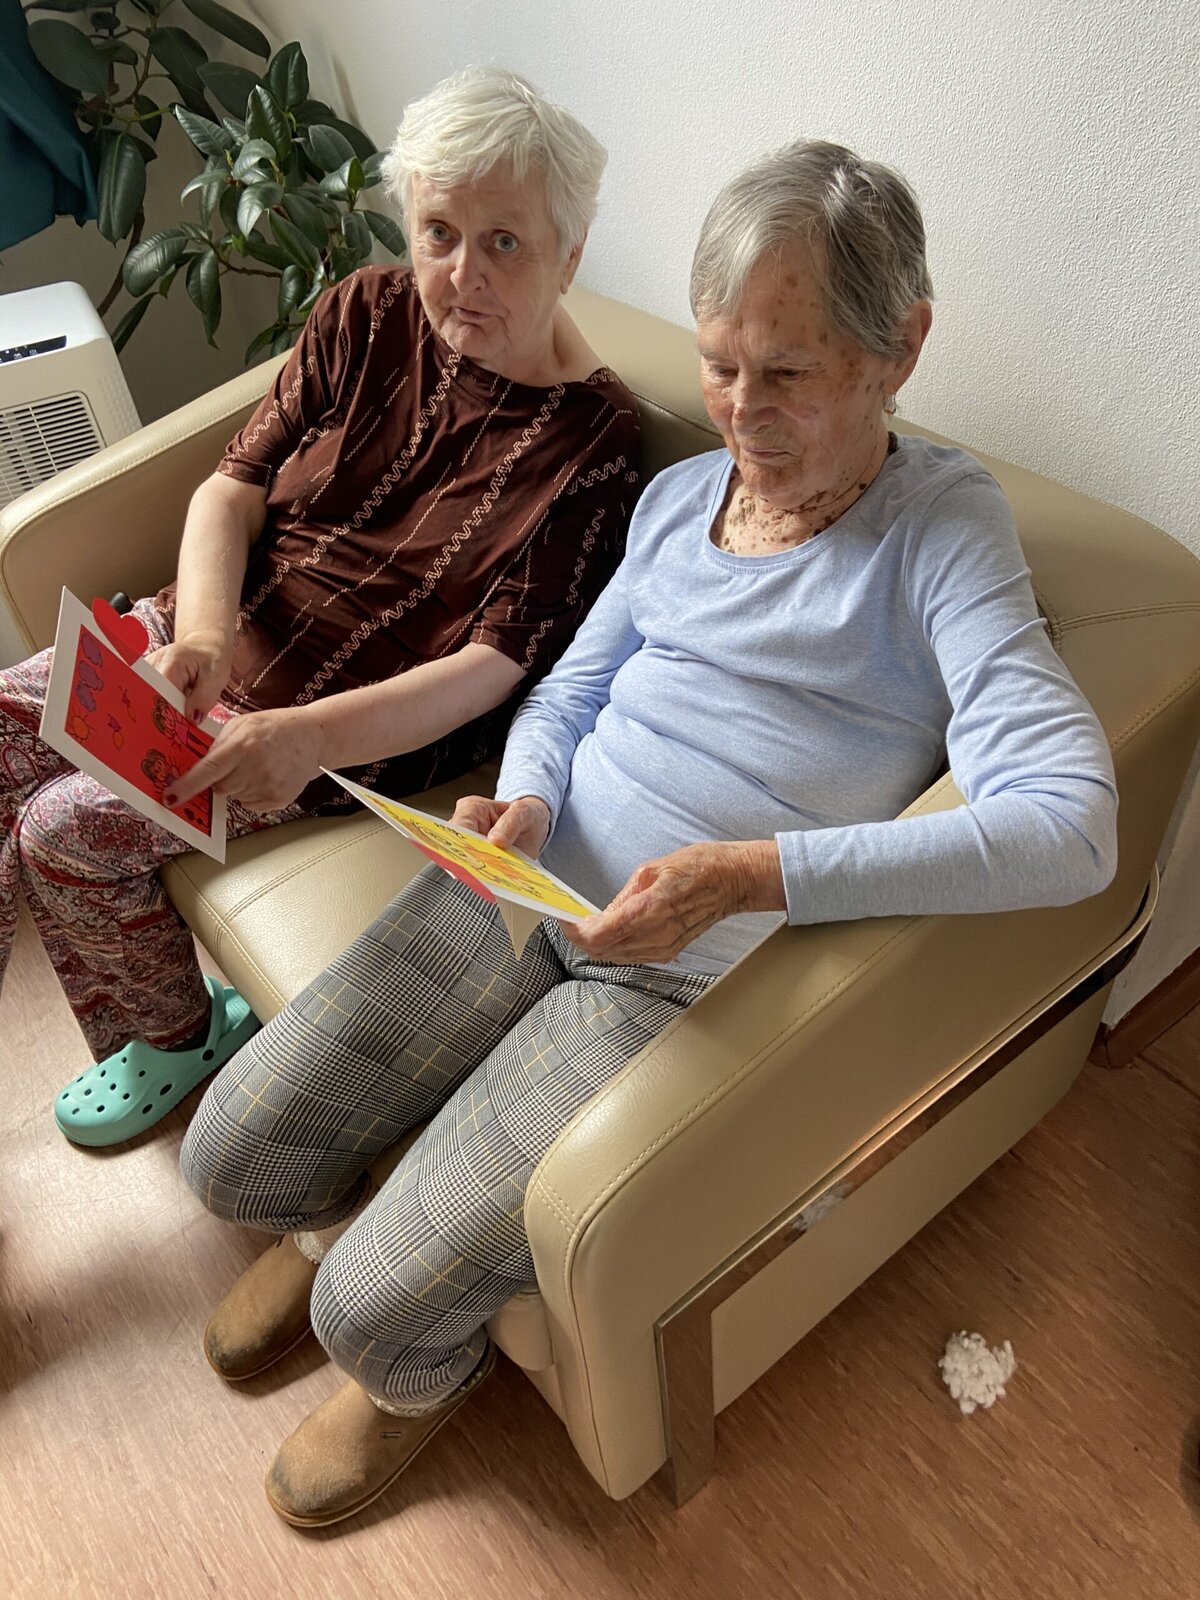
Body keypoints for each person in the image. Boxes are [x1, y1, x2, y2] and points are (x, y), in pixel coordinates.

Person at [181, 140, 1118, 1526]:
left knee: (372, 1313)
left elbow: (1072, 828)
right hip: (523, 877)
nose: (742, 414)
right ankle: (346, 1226)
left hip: (669, 976)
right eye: (720, 366)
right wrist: (530, 791)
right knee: (230, 1159)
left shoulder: (944, 533)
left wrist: (749, 877)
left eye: (786, 373)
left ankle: (406, 1372)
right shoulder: (682, 499)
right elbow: (568, 692)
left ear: (900, 350)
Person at [0, 66, 640, 1147]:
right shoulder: (365, 311)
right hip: (203, 640)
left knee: (62, 832)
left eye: (505, 243)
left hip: (333, 726)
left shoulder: (592, 444)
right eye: (439, 233)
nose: (463, 275)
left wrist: (303, 740)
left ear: (570, 252)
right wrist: (201, 635)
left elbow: (492, 668)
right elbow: (231, 490)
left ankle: (175, 1035)